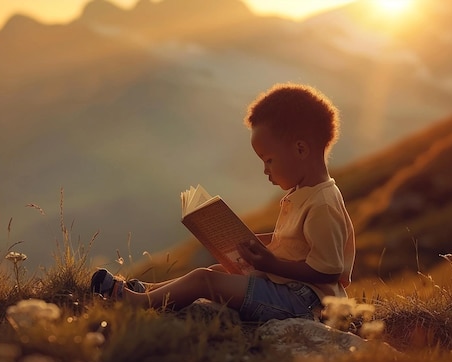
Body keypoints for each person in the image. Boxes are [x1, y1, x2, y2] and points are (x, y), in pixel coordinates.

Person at [91, 83, 355, 322]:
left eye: (269, 160)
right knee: (215, 269)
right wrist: (246, 241)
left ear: (300, 149)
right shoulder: (303, 192)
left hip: (304, 303)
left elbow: (328, 271)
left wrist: (270, 264)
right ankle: (147, 289)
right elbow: (296, 245)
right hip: (287, 289)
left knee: (204, 280)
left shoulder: (323, 203)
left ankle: (136, 303)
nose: (265, 170)